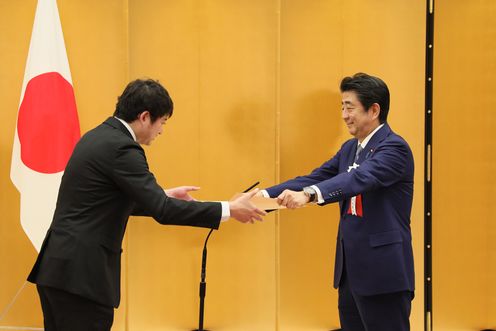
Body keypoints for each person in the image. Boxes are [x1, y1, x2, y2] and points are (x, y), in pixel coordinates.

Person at [27, 78, 266, 331]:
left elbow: (103, 199)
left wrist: (161, 195)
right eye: (162, 122)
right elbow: (162, 211)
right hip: (82, 277)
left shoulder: (97, 136)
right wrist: (228, 208)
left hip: (59, 268)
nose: (161, 130)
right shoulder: (123, 148)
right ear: (144, 117)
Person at [261, 73, 414, 330]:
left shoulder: (394, 149)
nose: (344, 115)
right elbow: (314, 177)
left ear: (373, 109)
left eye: (350, 107)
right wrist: (262, 197)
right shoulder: (349, 148)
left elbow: (358, 179)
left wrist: (309, 195)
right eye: (342, 107)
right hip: (350, 275)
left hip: (383, 273)